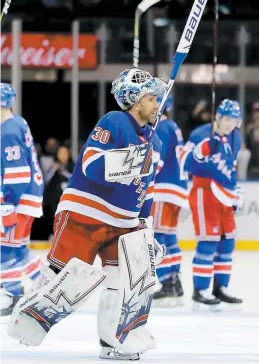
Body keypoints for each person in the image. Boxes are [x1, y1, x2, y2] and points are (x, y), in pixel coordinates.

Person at [8, 69, 166, 360]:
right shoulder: (115, 121)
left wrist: (147, 227)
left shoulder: (154, 143)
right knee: (65, 278)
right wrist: (132, 160)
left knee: (125, 284)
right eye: (151, 98)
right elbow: (91, 164)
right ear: (135, 100)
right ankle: (29, 312)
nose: (157, 105)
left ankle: (113, 339)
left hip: (125, 224)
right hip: (86, 213)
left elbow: (148, 189)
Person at [178, 99, 244, 310]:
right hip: (204, 191)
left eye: (234, 120)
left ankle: (220, 287)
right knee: (208, 241)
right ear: (217, 117)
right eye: (226, 119)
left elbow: (231, 166)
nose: (230, 124)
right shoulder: (200, 133)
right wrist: (202, 150)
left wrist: (236, 190)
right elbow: (183, 160)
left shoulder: (236, 136)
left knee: (227, 242)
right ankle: (201, 290)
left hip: (225, 193)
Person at [0, 83, 44, 316]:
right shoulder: (19, 123)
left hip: (18, 200)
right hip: (29, 197)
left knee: (4, 250)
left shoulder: (7, 130)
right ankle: (47, 286)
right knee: (18, 250)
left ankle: (13, 294)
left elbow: (17, 172)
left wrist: (7, 203)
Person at [150, 96, 189, 306]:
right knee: (170, 238)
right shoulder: (172, 126)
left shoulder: (162, 128)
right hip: (177, 191)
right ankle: (174, 281)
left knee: (158, 237)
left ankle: (167, 283)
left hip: (164, 190)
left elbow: (157, 162)